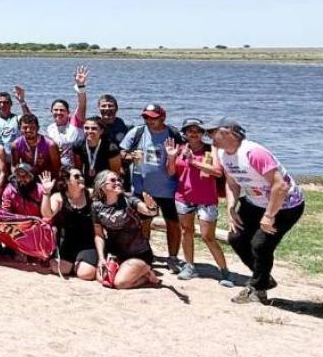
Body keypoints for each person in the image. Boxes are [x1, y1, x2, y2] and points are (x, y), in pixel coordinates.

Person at [207, 117, 306, 305]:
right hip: (255, 203)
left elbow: (281, 186)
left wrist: (269, 216)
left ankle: (258, 289)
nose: (208, 136)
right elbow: (232, 183)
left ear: (228, 133)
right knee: (236, 238)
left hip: (285, 205)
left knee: (260, 244)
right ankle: (264, 279)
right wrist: (231, 208)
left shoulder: (253, 153)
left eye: (212, 132)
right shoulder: (222, 154)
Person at [120, 103, 184, 273]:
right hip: (142, 188)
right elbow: (122, 152)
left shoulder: (173, 133)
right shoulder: (137, 132)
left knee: (173, 223)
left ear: (162, 117)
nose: (148, 120)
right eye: (146, 117)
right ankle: (145, 255)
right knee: (144, 222)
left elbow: (184, 154)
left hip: (168, 188)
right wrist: (130, 155)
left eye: (152, 118)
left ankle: (173, 258)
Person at [167, 118, 232, 286]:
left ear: (203, 133)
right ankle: (189, 266)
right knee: (186, 231)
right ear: (185, 133)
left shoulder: (211, 149)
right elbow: (171, 172)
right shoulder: (179, 149)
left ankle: (224, 271)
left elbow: (217, 172)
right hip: (183, 197)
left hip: (206, 199)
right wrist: (171, 157)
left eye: (197, 130)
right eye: (190, 130)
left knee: (208, 236)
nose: (194, 133)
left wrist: (193, 161)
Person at [91, 170, 161, 289]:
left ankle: (146, 273)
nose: (118, 182)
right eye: (113, 180)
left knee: (120, 283)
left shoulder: (129, 199)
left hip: (138, 253)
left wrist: (152, 207)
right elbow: (99, 235)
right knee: (101, 279)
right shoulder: (96, 206)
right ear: (102, 186)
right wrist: (101, 258)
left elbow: (148, 211)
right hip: (116, 254)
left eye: (119, 180)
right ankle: (129, 271)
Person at [40, 167, 96, 280]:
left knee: (86, 274)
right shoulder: (58, 197)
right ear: (67, 181)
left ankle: (78, 265)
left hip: (87, 245)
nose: (81, 178)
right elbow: (47, 214)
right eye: (76, 176)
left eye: (81, 175)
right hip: (66, 245)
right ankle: (74, 265)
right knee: (59, 269)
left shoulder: (90, 194)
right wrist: (46, 192)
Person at [47, 66, 89, 165]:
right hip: (57, 167)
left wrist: (81, 86)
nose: (58, 112)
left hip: (76, 167)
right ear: (51, 111)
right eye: (55, 110)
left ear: (68, 112)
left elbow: (82, 105)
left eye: (62, 110)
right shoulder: (50, 129)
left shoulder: (75, 123)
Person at [71, 117, 121, 182]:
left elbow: (115, 173)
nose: (89, 131)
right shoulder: (78, 145)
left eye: (94, 128)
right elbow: (78, 168)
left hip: (105, 182)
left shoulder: (111, 148)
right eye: (86, 128)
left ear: (101, 131)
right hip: (85, 181)